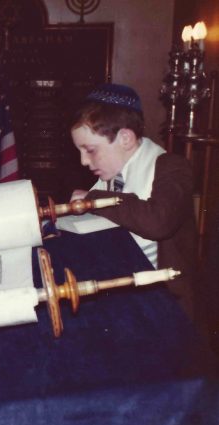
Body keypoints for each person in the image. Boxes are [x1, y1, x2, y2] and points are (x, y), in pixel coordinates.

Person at [70, 83, 197, 316]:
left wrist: (93, 200)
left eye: (90, 150)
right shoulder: (110, 176)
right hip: (124, 292)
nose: (84, 162)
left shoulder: (171, 166)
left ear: (125, 138)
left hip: (166, 304)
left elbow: (158, 221)